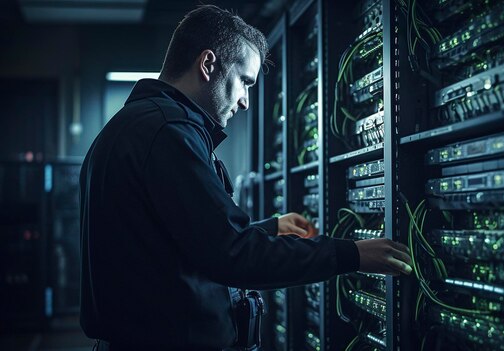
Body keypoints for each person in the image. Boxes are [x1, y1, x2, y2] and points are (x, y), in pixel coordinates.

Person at [79, 5, 412, 350]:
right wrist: (351, 255)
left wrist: (270, 229)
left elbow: (190, 242)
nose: (246, 102)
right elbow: (232, 256)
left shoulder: (136, 125)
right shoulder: (168, 133)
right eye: (245, 82)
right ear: (208, 65)